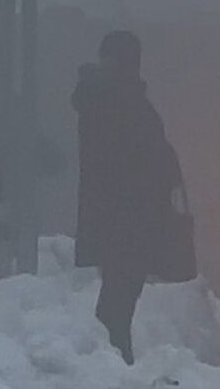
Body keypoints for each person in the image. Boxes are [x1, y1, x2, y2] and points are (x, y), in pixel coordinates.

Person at [73, 31, 179, 364]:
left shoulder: (98, 101)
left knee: (116, 295)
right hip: (132, 217)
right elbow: (148, 164)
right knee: (120, 298)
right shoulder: (127, 104)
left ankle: (114, 360)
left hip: (108, 215)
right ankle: (115, 362)